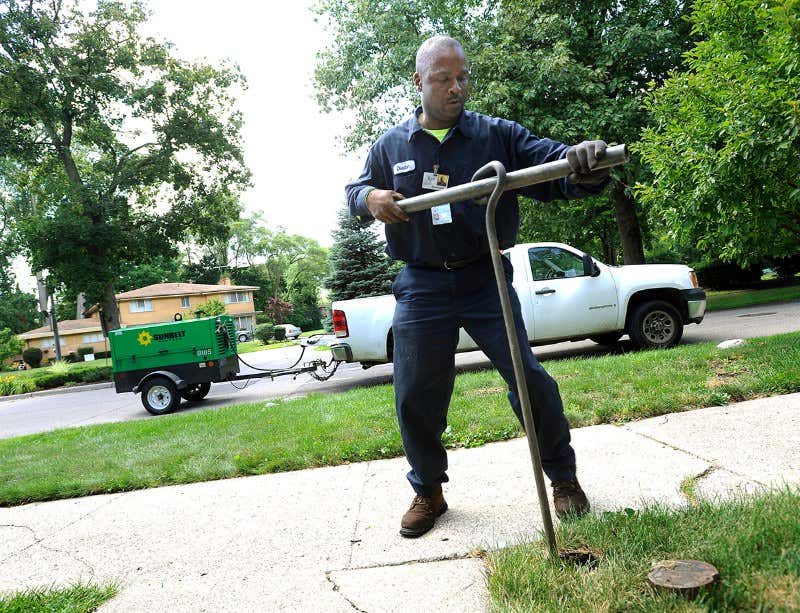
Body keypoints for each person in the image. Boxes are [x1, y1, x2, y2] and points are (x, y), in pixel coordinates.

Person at [345, 35, 611, 538]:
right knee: (415, 392)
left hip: (485, 273)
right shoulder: (390, 146)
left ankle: (564, 479)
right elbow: (355, 192)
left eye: (463, 77)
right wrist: (370, 198)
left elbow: (551, 165)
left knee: (529, 379)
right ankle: (429, 490)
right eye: (444, 79)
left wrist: (584, 163)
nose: (456, 87)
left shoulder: (495, 135)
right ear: (419, 82)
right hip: (421, 284)